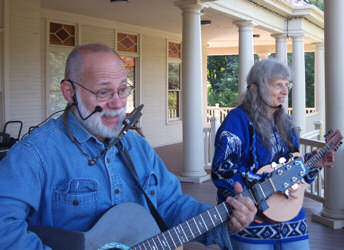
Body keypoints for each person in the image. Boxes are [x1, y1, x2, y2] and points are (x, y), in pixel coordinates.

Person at [0, 43, 256, 249]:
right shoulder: (34, 154)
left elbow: (171, 206)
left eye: (122, 90)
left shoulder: (138, 147)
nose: (117, 103)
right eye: (103, 92)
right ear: (69, 93)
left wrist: (225, 218)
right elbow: (4, 228)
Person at [211, 59, 334, 250]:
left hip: (291, 217)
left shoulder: (286, 122)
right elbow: (222, 172)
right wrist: (270, 183)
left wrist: (313, 164)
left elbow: (293, 173)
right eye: (278, 85)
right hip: (250, 220)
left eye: (287, 85)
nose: (285, 91)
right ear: (255, 88)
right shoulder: (237, 120)